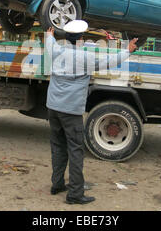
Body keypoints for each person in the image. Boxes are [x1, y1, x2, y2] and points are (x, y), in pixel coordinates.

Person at [45, 21, 138, 205]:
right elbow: (109, 61)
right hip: (71, 111)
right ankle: (75, 194)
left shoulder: (56, 51)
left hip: (53, 107)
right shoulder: (84, 58)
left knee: (57, 146)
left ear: (67, 37)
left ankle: (56, 185)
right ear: (81, 38)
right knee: (76, 150)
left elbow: (50, 43)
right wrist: (128, 50)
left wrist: (50, 34)